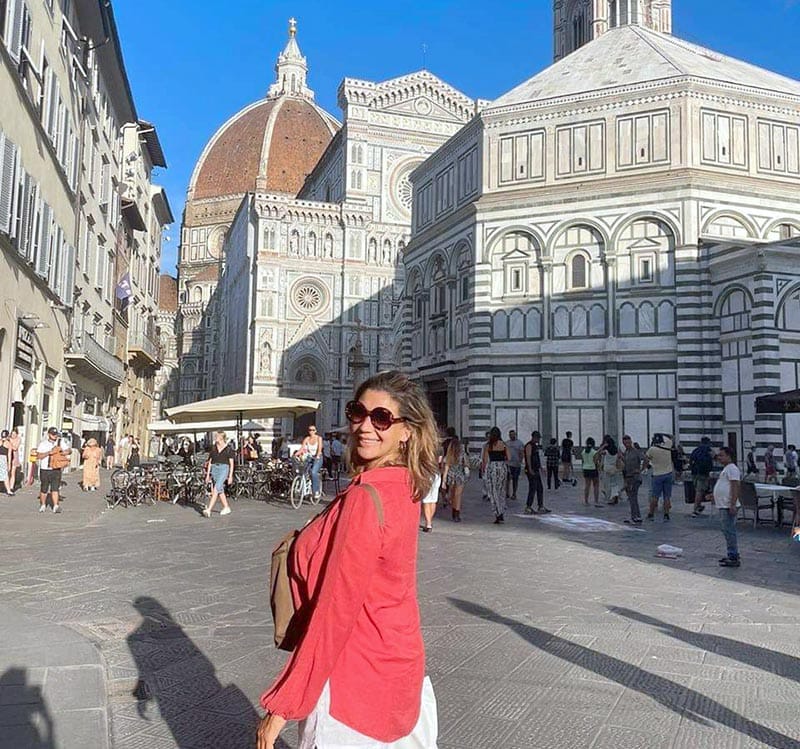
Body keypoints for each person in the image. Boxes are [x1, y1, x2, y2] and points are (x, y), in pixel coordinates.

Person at [256, 371, 439, 749]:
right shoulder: (404, 484)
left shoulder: (365, 498)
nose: (365, 426)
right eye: (358, 412)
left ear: (407, 431)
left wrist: (283, 706)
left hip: (353, 682)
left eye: (382, 418)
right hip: (399, 670)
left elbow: (336, 611)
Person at [714, 446, 741, 568]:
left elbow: (735, 486)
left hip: (727, 505)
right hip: (723, 504)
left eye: (721, 455)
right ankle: (731, 553)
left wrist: (732, 504)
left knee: (729, 530)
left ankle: (733, 555)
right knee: (726, 530)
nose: (719, 458)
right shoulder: (726, 469)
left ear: (729, 456)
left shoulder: (732, 469)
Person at [644, 433, 675, 522]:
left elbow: (646, 459)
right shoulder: (668, 445)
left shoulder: (652, 449)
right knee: (667, 496)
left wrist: (645, 467)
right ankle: (666, 515)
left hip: (657, 474)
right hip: (668, 473)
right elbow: (671, 437)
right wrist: (661, 434)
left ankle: (651, 514)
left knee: (655, 496)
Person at [37, 427, 68, 513]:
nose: (55, 436)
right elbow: (38, 456)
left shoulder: (60, 442)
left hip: (56, 468)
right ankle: (43, 505)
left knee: (55, 488)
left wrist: (63, 452)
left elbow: (69, 450)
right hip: (45, 469)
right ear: (49, 434)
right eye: (53, 434)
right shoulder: (43, 444)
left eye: (56, 434)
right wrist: (49, 452)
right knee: (44, 488)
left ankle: (56, 506)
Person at [203, 431, 234, 518]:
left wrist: (230, 476)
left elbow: (231, 464)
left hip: (224, 468)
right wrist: (208, 475)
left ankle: (209, 509)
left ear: (221, 438)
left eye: (217, 436)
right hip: (214, 469)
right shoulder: (214, 449)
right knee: (220, 489)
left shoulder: (228, 449)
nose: (215, 437)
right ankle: (226, 507)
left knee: (216, 488)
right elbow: (210, 462)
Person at [481, 427, 508, 524]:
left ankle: (497, 513)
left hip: (492, 468)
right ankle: (502, 511)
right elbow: (508, 457)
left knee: (493, 491)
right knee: (501, 491)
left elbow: (484, 460)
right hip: (502, 467)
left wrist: (483, 470)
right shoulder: (504, 444)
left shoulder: (488, 445)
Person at [442, 436, 469, 522]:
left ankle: (454, 511)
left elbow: (446, 467)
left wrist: (444, 480)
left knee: (453, 495)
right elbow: (466, 464)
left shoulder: (449, 454)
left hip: (451, 476)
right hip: (460, 476)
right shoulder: (462, 454)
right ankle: (456, 513)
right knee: (458, 495)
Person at [524, 431, 549, 515]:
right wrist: (530, 468)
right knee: (532, 488)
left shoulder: (535, 446)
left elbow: (537, 458)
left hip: (536, 469)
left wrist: (541, 468)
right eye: (538, 438)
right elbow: (528, 457)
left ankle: (540, 506)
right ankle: (528, 507)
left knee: (539, 488)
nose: (539, 440)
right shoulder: (529, 445)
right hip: (531, 470)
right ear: (534, 437)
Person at [620, 435, 643, 524]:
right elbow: (625, 465)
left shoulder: (635, 452)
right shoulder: (626, 452)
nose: (627, 444)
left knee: (633, 497)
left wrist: (640, 470)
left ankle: (635, 516)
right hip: (628, 477)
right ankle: (636, 515)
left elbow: (645, 459)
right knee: (632, 497)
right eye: (625, 443)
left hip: (635, 477)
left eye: (628, 443)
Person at [689, 437, 714, 517]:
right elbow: (712, 460)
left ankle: (698, 506)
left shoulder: (695, 450)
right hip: (703, 473)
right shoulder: (708, 450)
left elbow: (691, 460)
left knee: (698, 490)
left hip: (694, 473)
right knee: (700, 491)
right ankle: (695, 509)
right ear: (708, 443)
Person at [299, 425, 324, 501]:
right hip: (309, 457)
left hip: (318, 457)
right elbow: (302, 448)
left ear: (315, 431)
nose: (311, 431)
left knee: (313, 472)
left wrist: (317, 456)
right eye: (310, 430)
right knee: (303, 471)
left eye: (313, 430)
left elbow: (319, 449)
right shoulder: (307, 438)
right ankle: (303, 489)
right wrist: (295, 455)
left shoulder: (319, 438)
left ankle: (316, 491)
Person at [597, 435, 623, 505]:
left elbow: (598, 452)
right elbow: (620, 457)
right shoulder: (616, 450)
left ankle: (612, 498)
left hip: (607, 468)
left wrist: (603, 446)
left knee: (608, 484)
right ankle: (615, 495)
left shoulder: (606, 451)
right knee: (614, 483)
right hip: (614, 468)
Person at [504, 430, 524, 501]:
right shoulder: (507, 443)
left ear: (515, 435)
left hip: (516, 464)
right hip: (508, 464)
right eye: (510, 435)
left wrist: (520, 461)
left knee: (515, 479)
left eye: (513, 434)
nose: (512, 436)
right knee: (507, 479)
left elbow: (521, 453)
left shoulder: (520, 443)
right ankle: (507, 493)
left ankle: (514, 493)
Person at [581, 437, 600, 507]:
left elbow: (583, 461)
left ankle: (586, 501)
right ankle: (596, 501)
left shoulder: (583, 451)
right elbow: (596, 461)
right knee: (596, 485)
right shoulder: (594, 452)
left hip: (585, 469)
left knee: (587, 486)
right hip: (593, 469)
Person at [0, 430, 14, 495]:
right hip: (3, 459)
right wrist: (9, 464)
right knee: (5, 475)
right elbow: (9, 455)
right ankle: (8, 490)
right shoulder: (9, 444)